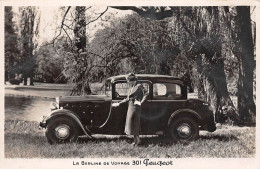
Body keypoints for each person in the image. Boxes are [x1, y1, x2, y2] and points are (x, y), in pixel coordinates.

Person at [112, 73, 148, 146]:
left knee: (135, 122)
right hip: (130, 106)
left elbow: (146, 93)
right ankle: (136, 140)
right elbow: (128, 98)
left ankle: (137, 141)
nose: (127, 82)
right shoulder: (131, 87)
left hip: (136, 107)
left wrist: (141, 102)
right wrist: (119, 103)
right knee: (131, 123)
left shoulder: (139, 85)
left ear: (132, 80)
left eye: (128, 81)